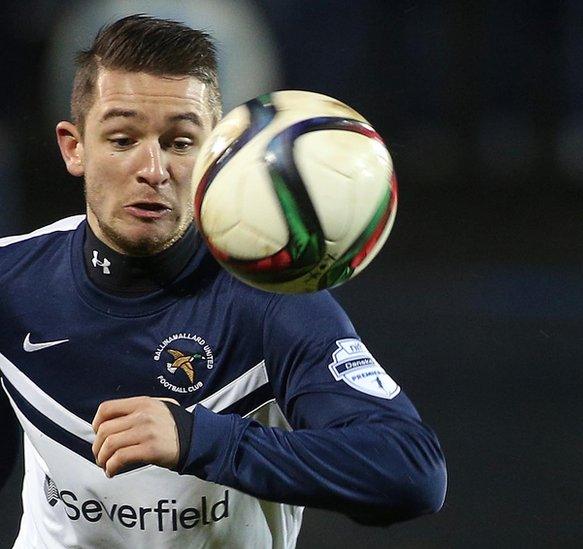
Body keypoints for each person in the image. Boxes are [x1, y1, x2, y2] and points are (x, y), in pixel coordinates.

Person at [0, 14, 446, 548]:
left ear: (214, 153)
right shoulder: (12, 281)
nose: (153, 168)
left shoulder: (274, 302)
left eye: (180, 142)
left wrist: (204, 440)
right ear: (75, 147)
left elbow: (411, 472)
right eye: (122, 139)